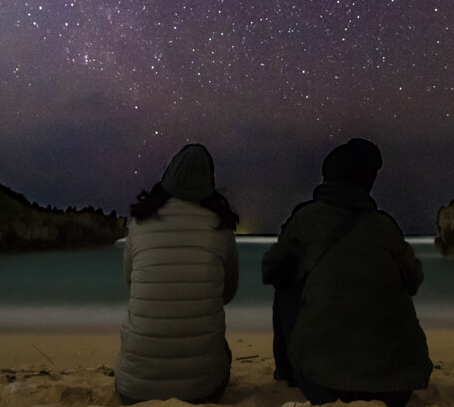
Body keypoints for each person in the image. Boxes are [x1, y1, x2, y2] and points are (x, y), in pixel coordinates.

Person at [262, 138, 432, 407]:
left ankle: (288, 373)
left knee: (285, 281)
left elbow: (269, 269)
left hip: (323, 385)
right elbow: (413, 280)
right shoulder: (385, 226)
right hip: (398, 387)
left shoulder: (306, 219)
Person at [115, 143, 240, 404]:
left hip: (133, 390)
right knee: (223, 353)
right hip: (201, 391)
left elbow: (131, 284)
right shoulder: (221, 228)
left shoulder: (139, 223)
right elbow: (227, 294)